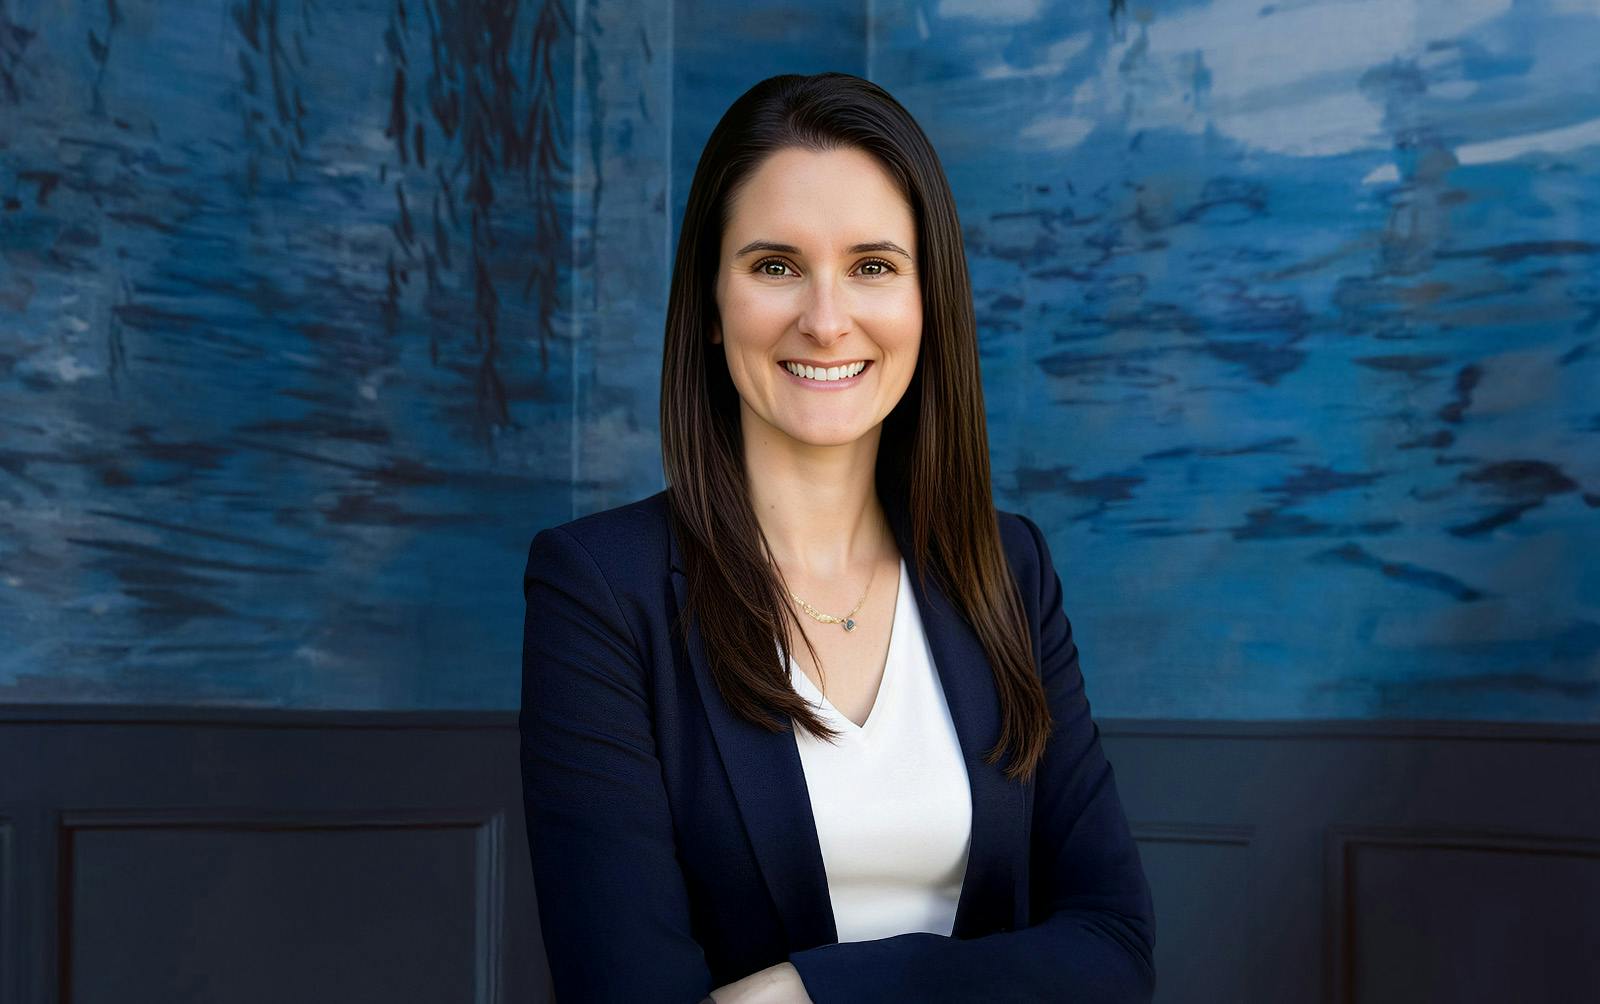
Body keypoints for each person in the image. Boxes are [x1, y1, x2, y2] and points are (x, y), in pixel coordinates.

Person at [519, 72, 1155, 1003]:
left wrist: (814, 991)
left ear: (926, 301)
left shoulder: (1008, 569)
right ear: (708, 301)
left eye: (873, 266)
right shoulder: (600, 592)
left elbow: (1115, 948)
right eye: (775, 266)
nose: (825, 320)